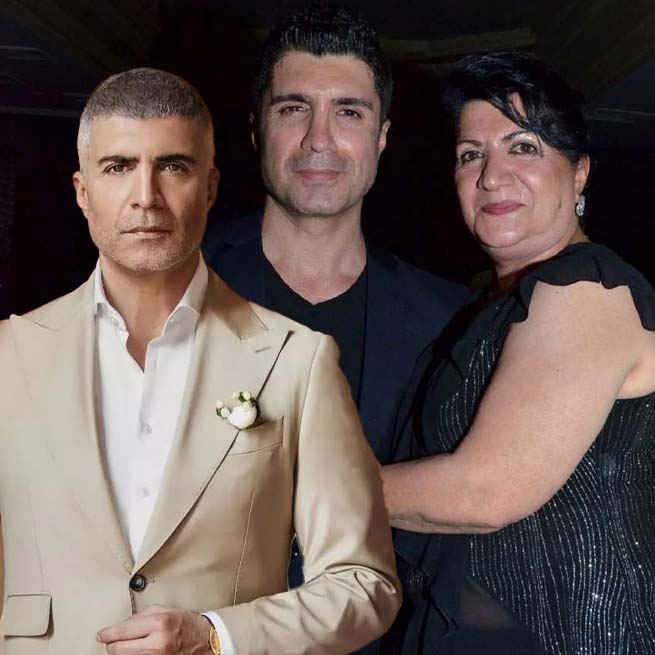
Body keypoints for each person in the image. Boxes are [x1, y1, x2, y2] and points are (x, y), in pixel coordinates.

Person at [0, 67, 401, 655]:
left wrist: (216, 635)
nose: (146, 196)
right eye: (118, 167)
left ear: (210, 187)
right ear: (83, 192)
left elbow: (364, 585)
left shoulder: (295, 360)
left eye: (173, 166)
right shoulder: (10, 356)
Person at [382, 51, 655, 654]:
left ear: (579, 173)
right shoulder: (485, 309)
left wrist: (299, 489)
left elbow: (486, 492)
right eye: (470, 155)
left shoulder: (587, 286)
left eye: (523, 147)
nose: (491, 176)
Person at [202, 1, 468, 467]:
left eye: (348, 112)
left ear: (381, 137)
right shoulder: (167, 285)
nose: (319, 139)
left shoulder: (448, 323)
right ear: (257, 130)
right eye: (293, 109)